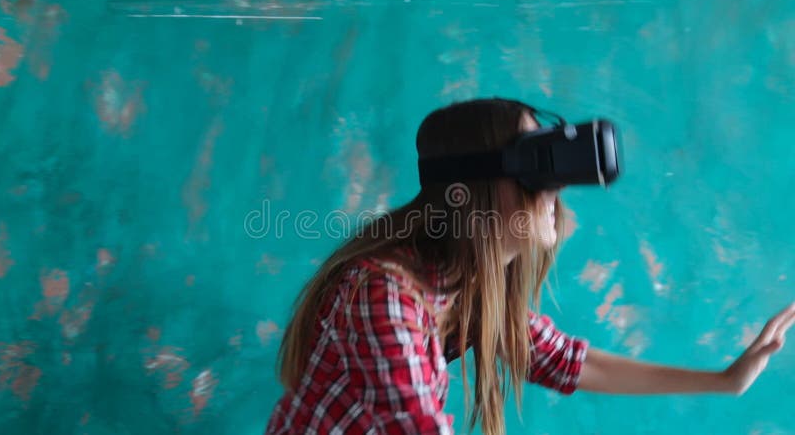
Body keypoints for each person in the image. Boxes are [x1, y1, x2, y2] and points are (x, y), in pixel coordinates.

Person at [264, 98, 794, 435]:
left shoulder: (465, 284)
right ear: (474, 191)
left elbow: (575, 363)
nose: (557, 189)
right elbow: (417, 425)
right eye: (538, 169)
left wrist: (727, 380)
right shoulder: (383, 294)